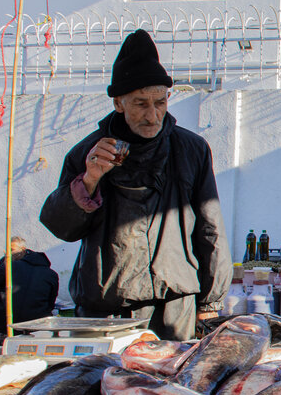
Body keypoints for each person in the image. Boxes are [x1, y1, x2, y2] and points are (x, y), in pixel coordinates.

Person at [40, 29, 232, 340]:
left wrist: (211, 300)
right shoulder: (86, 154)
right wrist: (89, 179)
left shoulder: (191, 150)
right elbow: (62, 229)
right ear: (118, 103)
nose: (153, 115)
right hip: (104, 309)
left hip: (172, 304)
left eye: (160, 102)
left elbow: (210, 227)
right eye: (141, 104)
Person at [0, 236, 59, 338]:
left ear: (22, 250)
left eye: (11, 250)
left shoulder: (9, 265)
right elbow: (51, 302)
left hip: (7, 319)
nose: (8, 253)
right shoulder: (51, 273)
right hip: (39, 320)